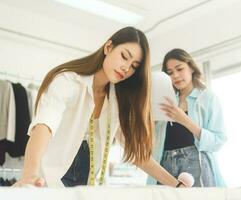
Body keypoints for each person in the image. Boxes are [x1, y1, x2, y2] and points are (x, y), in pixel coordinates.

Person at [13, 27, 185, 187]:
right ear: (108, 47)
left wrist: (176, 185)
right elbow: (44, 125)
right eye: (124, 56)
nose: (126, 68)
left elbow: (138, 156)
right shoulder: (68, 81)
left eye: (133, 66)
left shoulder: (117, 100)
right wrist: (30, 173)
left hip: (89, 186)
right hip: (49, 182)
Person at [147, 49, 227, 187]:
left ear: (191, 68)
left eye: (179, 69)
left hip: (195, 164)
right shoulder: (166, 99)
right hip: (164, 163)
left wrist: (184, 120)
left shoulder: (207, 98)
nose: (175, 76)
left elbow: (218, 140)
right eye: (170, 73)